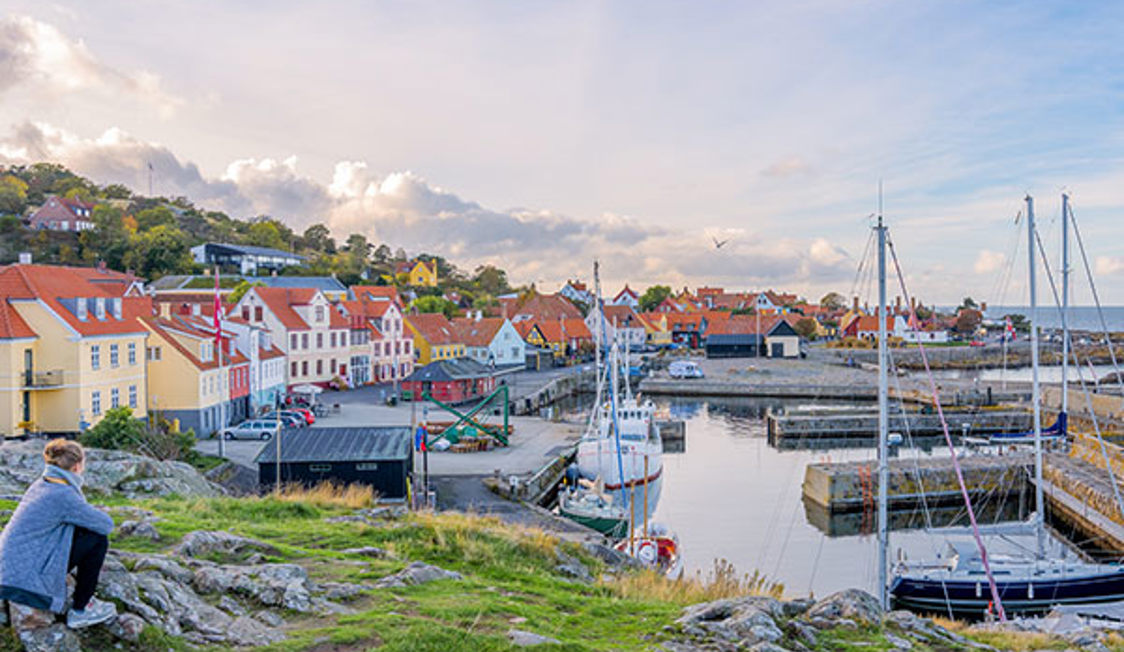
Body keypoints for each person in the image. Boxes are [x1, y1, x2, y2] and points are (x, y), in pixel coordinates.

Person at [0, 439, 117, 628]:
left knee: (83, 530)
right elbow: (106, 525)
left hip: (9, 568)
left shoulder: (41, 484)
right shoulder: (63, 495)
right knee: (97, 540)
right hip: (25, 577)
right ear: (77, 466)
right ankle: (81, 609)